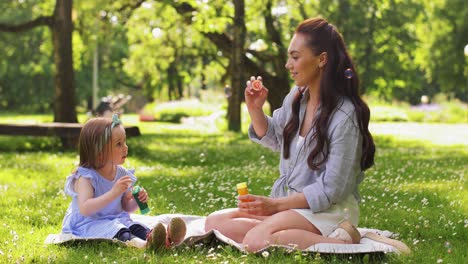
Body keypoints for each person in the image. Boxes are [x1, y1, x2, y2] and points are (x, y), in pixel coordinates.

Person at [205, 17, 376, 252]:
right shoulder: (297, 96)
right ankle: (283, 232)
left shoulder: (345, 116)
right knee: (214, 222)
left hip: (328, 211)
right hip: (294, 206)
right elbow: (277, 138)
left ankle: (345, 240)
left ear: (321, 60)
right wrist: (255, 109)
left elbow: (332, 190)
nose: (288, 64)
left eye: (295, 57)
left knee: (256, 241)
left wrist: (275, 206)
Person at [61, 114, 186, 250]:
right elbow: (85, 208)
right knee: (119, 230)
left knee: (134, 226)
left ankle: (157, 239)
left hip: (116, 218)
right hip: (89, 223)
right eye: (118, 144)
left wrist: (136, 200)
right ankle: (143, 245)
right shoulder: (86, 177)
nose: (125, 148)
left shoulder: (122, 173)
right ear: (99, 152)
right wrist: (114, 192)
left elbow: (126, 207)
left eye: (125, 142)